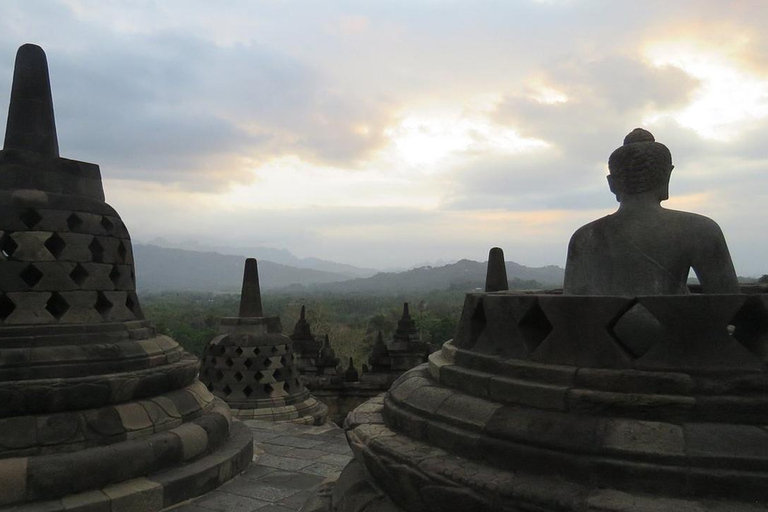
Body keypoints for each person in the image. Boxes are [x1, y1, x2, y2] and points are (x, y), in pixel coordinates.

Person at [563, 128, 739, 295]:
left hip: (604, 326)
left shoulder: (584, 237)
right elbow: (728, 300)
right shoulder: (701, 229)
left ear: (612, 183)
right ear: (667, 176)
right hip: (677, 325)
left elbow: (572, 307)